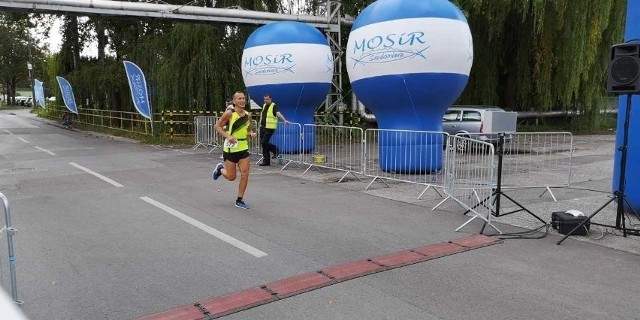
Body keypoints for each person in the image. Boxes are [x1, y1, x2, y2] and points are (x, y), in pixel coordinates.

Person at [212, 91, 257, 209]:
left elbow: (248, 130)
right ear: (234, 101)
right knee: (232, 177)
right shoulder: (229, 114)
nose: (242, 100)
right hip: (231, 149)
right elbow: (217, 126)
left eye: (243, 98)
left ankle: (239, 199)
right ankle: (220, 169)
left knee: (245, 173)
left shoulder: (248, 115)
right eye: (239, 98)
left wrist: (251, 133)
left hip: (243, 147)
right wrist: (228, 136)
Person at [258, 94, 289, 166]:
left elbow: (278, 113)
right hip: (262, 127)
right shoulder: (264, 105)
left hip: (269, 127)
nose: (265, 101)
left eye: (267, 99)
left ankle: (276, 150)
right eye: (264, 99)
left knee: (264, 142)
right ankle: (266, 161)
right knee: (264, 145)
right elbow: (262, 115)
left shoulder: (273, 106)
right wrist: (259, 124)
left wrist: (284, 120)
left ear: (271, 99)